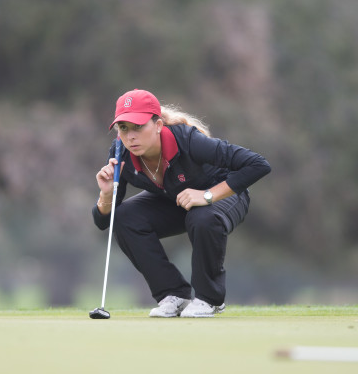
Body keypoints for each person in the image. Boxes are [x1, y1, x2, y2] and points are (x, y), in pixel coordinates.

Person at [92, 89, 271, 318]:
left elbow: (258, 165)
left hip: (225, 194)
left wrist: (207, 195)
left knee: (202, 216)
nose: (130, 136)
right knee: (126, 217)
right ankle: (174, 294)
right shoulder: (122, 154)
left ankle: (209, 299)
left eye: (138, 127)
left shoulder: (188, 141)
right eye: (123, 128)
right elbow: (104, 221)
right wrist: (106, 195)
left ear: (158, 125)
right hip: (177, 201)